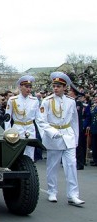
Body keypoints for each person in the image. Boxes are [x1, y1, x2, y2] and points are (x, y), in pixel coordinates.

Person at [35, 71, 84, 206]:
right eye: (54, 86)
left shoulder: (71, 101)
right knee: (52, 166)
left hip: (68, 135)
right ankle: (52, 191)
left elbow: (74, 121)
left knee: (71, 165)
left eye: (58, 86)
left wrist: (76, 139)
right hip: (54, 136)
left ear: (64, 87)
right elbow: (41, 120)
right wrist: (50, 132)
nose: (55, 88)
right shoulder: (47, 101)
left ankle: (73, 195)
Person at [4, 75, 40, 160]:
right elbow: (7, 118)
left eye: (30, 87)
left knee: (30, 151)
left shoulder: (34, 100)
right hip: (17, 127)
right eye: (26, 86)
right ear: (20, 87)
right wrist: (7, 132)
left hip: (30, 127)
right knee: (16, 151)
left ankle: (29, 169)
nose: (28, 89)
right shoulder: (13, 100)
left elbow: (38, 118)